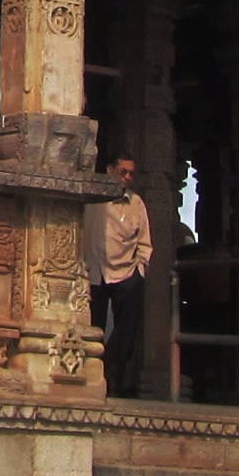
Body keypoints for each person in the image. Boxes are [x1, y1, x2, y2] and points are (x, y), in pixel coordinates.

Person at [91, 158, 152, 398]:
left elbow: (145, 242)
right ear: (110, 170)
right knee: (93, 329)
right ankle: (95, 377)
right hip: (95, 272)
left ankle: (120, 379)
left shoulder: (136, 203)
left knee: (127, 332)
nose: (127, 177)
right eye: (122, 172)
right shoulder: (94, 199)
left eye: (131, 174)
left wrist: (140, 270)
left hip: (126, 273)